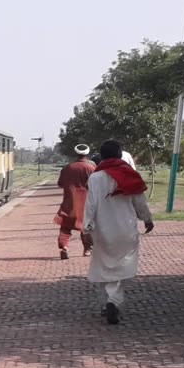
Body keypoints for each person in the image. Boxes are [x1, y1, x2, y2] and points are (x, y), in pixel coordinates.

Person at [82, 139, 154, 325]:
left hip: (102, 230)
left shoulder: (95, 178)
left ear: (102, 156)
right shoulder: (130, 175)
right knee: (123, 266)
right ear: (120, 155)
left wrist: (86, 228)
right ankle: (114, 301)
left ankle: (107, 303)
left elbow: (90, 205)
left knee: (103, 266)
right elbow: (140, 202)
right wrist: (147, 219)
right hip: (126, 229)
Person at [55, 144, 96, 259]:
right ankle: (87, 249)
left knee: (65, 225)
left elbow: (60, 184)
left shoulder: (67, 168)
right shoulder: (91, 168)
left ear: (75, 154)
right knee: (86, 226)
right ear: (87, 154)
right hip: (86, 203)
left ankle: (64, 247)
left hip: (69, 202)